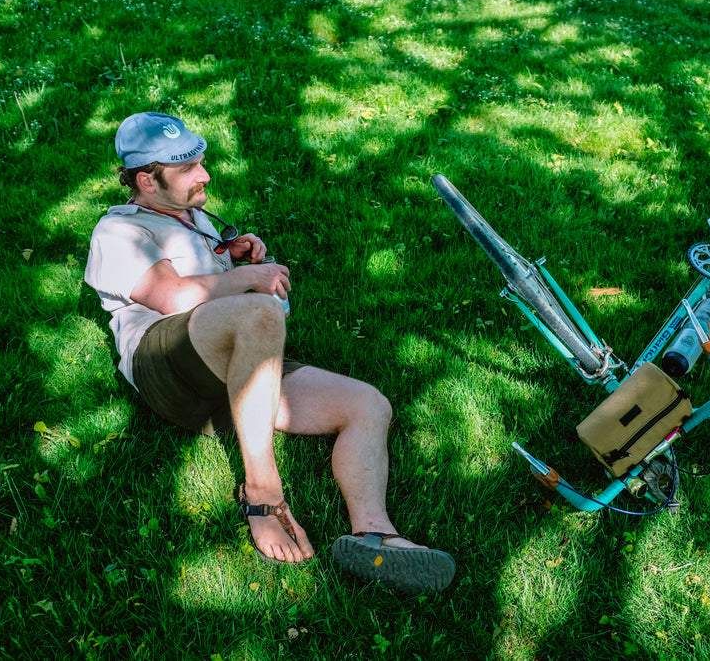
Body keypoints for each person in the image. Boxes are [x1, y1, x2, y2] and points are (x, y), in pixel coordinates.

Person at [84, 112, 455, 592]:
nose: (205, 175)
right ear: (145, 181)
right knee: (259, 311)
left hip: (232, 370)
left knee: (368, 404)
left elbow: (207, 282)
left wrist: (229, 255)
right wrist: (245, 280)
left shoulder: (192, 216)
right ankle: (262, 493)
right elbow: (172, 298)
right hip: (167, 372)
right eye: (188, 169)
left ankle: (374, 534)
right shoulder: (118, 232)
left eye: (202, 161)